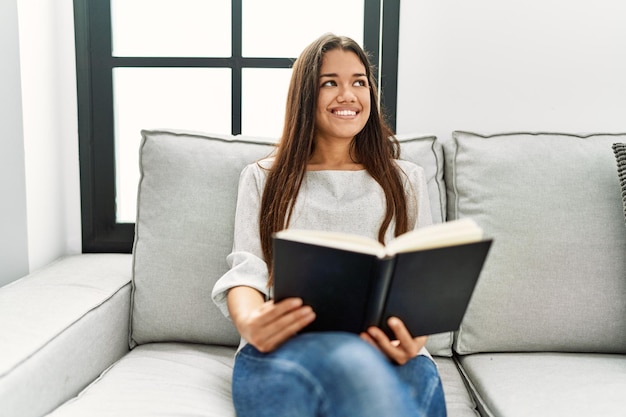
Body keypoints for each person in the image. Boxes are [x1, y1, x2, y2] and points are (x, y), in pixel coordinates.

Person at [212, 33, 446, 417]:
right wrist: (252, 322)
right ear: (306, 96)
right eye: (329, 83)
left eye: (358, 82)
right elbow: (247, 272)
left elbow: (420, 282)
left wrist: (414, 336)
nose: (348, 95)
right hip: (289, 348)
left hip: (388, 352)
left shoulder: (406, 180)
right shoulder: (262, 178)